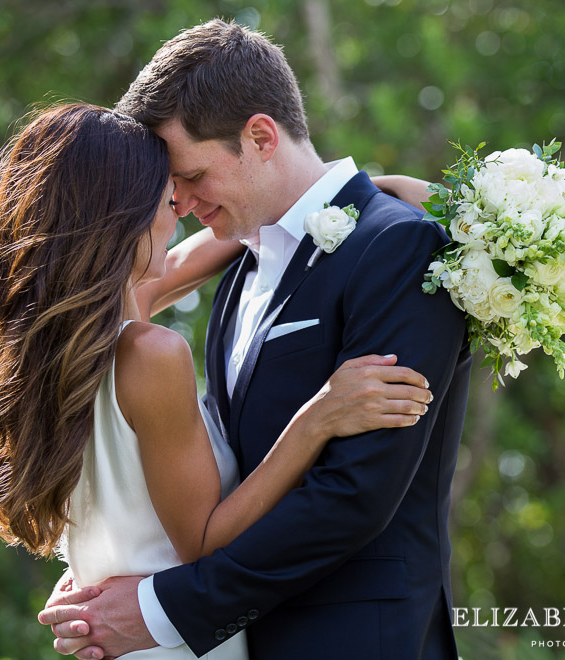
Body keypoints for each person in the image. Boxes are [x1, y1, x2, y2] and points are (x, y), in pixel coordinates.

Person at [40, 20, 473, 660]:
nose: (179, 203)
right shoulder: (240, 266)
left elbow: (355, 498)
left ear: (261, 136)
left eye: (189, 175)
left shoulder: (398, 245)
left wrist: (165, 609)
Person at [0, 102, 435, 659]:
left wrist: (358, 193)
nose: (181, 210)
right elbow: (203, 541)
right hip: (173, 639)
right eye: (167, 195)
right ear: (122, 214)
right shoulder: (150, 353)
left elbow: (218, 243)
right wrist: (317, 418)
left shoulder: (55, 344)